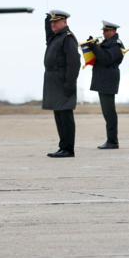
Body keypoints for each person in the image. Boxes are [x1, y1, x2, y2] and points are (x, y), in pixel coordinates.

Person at [41, 10, 80, 158]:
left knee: (65, 116)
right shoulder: (55, 37)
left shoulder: (67, 38)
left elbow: (74, 63)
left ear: (64, 22)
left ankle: (68, 149)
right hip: (54, 82)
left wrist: (70, 83)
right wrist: (46, 22)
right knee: (59, 115)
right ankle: (63, 147)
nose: (53, 25)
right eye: (51, 22)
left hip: (63, 82)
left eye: (55, 22)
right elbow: (48, 34)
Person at [90, 20, 124, 150]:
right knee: (107, 112)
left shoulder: (116, 45)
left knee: (109, 112)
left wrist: (95, 47)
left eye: (106, 31)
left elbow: (106, 59)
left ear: (114, 31)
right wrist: (92, 45)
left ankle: (112, 141)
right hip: (103, 80)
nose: (104, 33)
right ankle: (111, 140)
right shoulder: (107, 43)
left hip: (108, 80)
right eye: (103, 31)